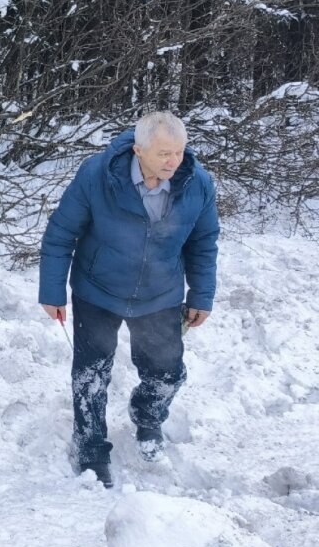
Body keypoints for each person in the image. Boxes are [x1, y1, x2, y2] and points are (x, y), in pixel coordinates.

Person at [38, 111, 220, 489]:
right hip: (98, 289)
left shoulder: (197, 183)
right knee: (91, 375)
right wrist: (52, 291)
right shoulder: (98, 175)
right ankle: (90, 448)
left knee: (167, 373)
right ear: (139, 150)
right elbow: (61, 233)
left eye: (180, 151)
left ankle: (148, 418)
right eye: (164, 153)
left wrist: (201, 295)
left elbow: (203, 243)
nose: (174, 161)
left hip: (160, 294)